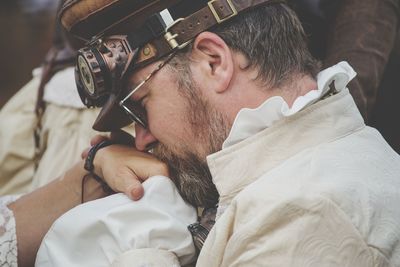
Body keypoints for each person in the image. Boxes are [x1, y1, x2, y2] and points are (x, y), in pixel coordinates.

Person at [2, 0, 400, 266]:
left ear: (214, 63)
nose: (139, 139)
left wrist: (130, 234)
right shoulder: (292, 178)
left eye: (139, 106)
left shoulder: (308, 214)